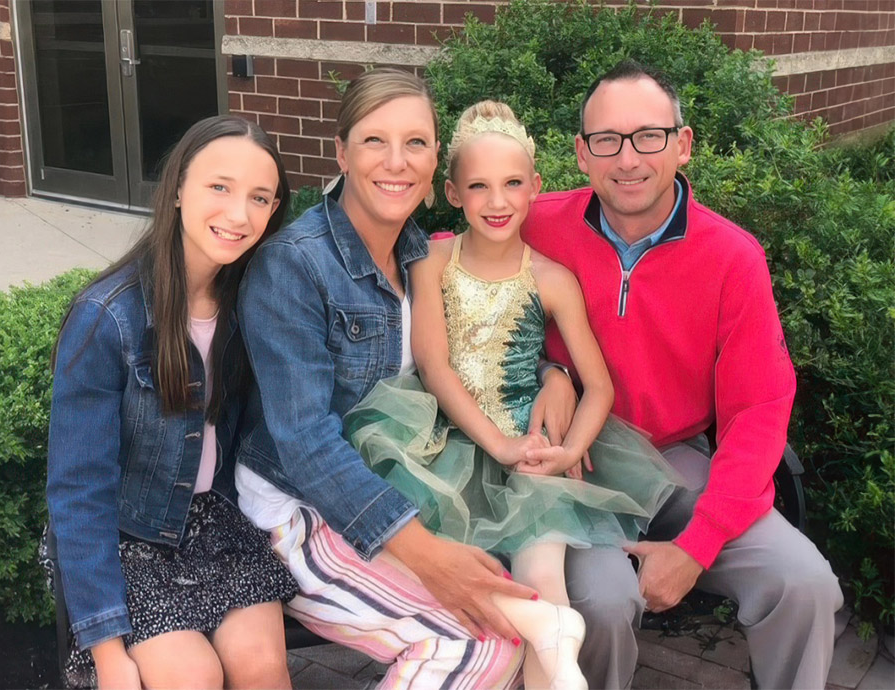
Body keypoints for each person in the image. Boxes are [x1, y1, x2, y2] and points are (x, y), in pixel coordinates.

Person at [522, 60, 843, 689]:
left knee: (803, 583)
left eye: (649, 136)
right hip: (575, 466)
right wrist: (551, 367)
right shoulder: (537, 223)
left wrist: (697, 546)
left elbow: (758, 410)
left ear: (682, 143)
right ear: (582, 155)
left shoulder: (733, 258)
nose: (628, 158)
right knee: (601, 607)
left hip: (678, 463)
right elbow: (455, 274)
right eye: (607, 140)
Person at [342, 100, 682, 690]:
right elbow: (433, 363)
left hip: (531, 449)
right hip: (441, 445)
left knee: (544, 586)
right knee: (458, 593)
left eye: (512, 184)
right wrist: (496, 444)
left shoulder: (551, 279)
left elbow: (598, 384)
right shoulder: (432, 260)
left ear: (536, 188)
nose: (497, 202)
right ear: (452, 191)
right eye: (478, 186)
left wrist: (566, 449)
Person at [234, 70, 554, 689]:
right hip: (294, 512)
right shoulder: (295, 265)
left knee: (509, 628)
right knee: (475, 650)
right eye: (375, 140)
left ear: (437, 159)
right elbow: (304, 443)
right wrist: (430, 559)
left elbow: (481, 342)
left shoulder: (421, 253)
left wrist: (554, 372)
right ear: (341, 152)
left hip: (393, 491)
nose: (397, 162)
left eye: (416, 142)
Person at [45, 115, 298, 690]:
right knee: (193, 678)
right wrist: (109, 656)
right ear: (178, 188)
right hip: (126, 539)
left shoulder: (251, 301)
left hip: (217, 526)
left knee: (262, 669)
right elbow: (78, 492)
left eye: (259, 198)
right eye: (219, 187)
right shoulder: (107, 317)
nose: (239, 215)